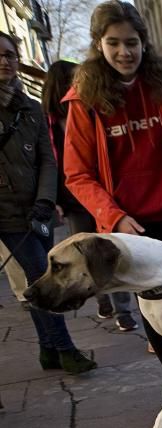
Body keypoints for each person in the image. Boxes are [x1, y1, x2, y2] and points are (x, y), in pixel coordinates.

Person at [63, 0, 162, 419]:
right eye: (113, 43)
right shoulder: (83, 102)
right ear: (99, 46)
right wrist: (113, 216)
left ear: (143, 43)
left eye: (131, 42)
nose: (124, 52)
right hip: (129, 226)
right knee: (153, 308)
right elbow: (77, 174)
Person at [0, 32, 96, 374]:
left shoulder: (30, 108)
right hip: (7, 214)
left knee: (35, 277)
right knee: (43, 276)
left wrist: (44, 199)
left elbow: (48, 159)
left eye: (10, 54)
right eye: (0, 56)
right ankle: (66, 349)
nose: (5, 61)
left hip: (36, 210)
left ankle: (48, 351)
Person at [42, 59, 136, 330]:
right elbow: (52, 162)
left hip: (102, 195)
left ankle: (123, 310)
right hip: (73, 200)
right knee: (85, 254)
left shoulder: (91, 110)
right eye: (75, 78)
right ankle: (101, 301)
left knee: (108, 250)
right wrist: (55, 200)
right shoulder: (49, 121)